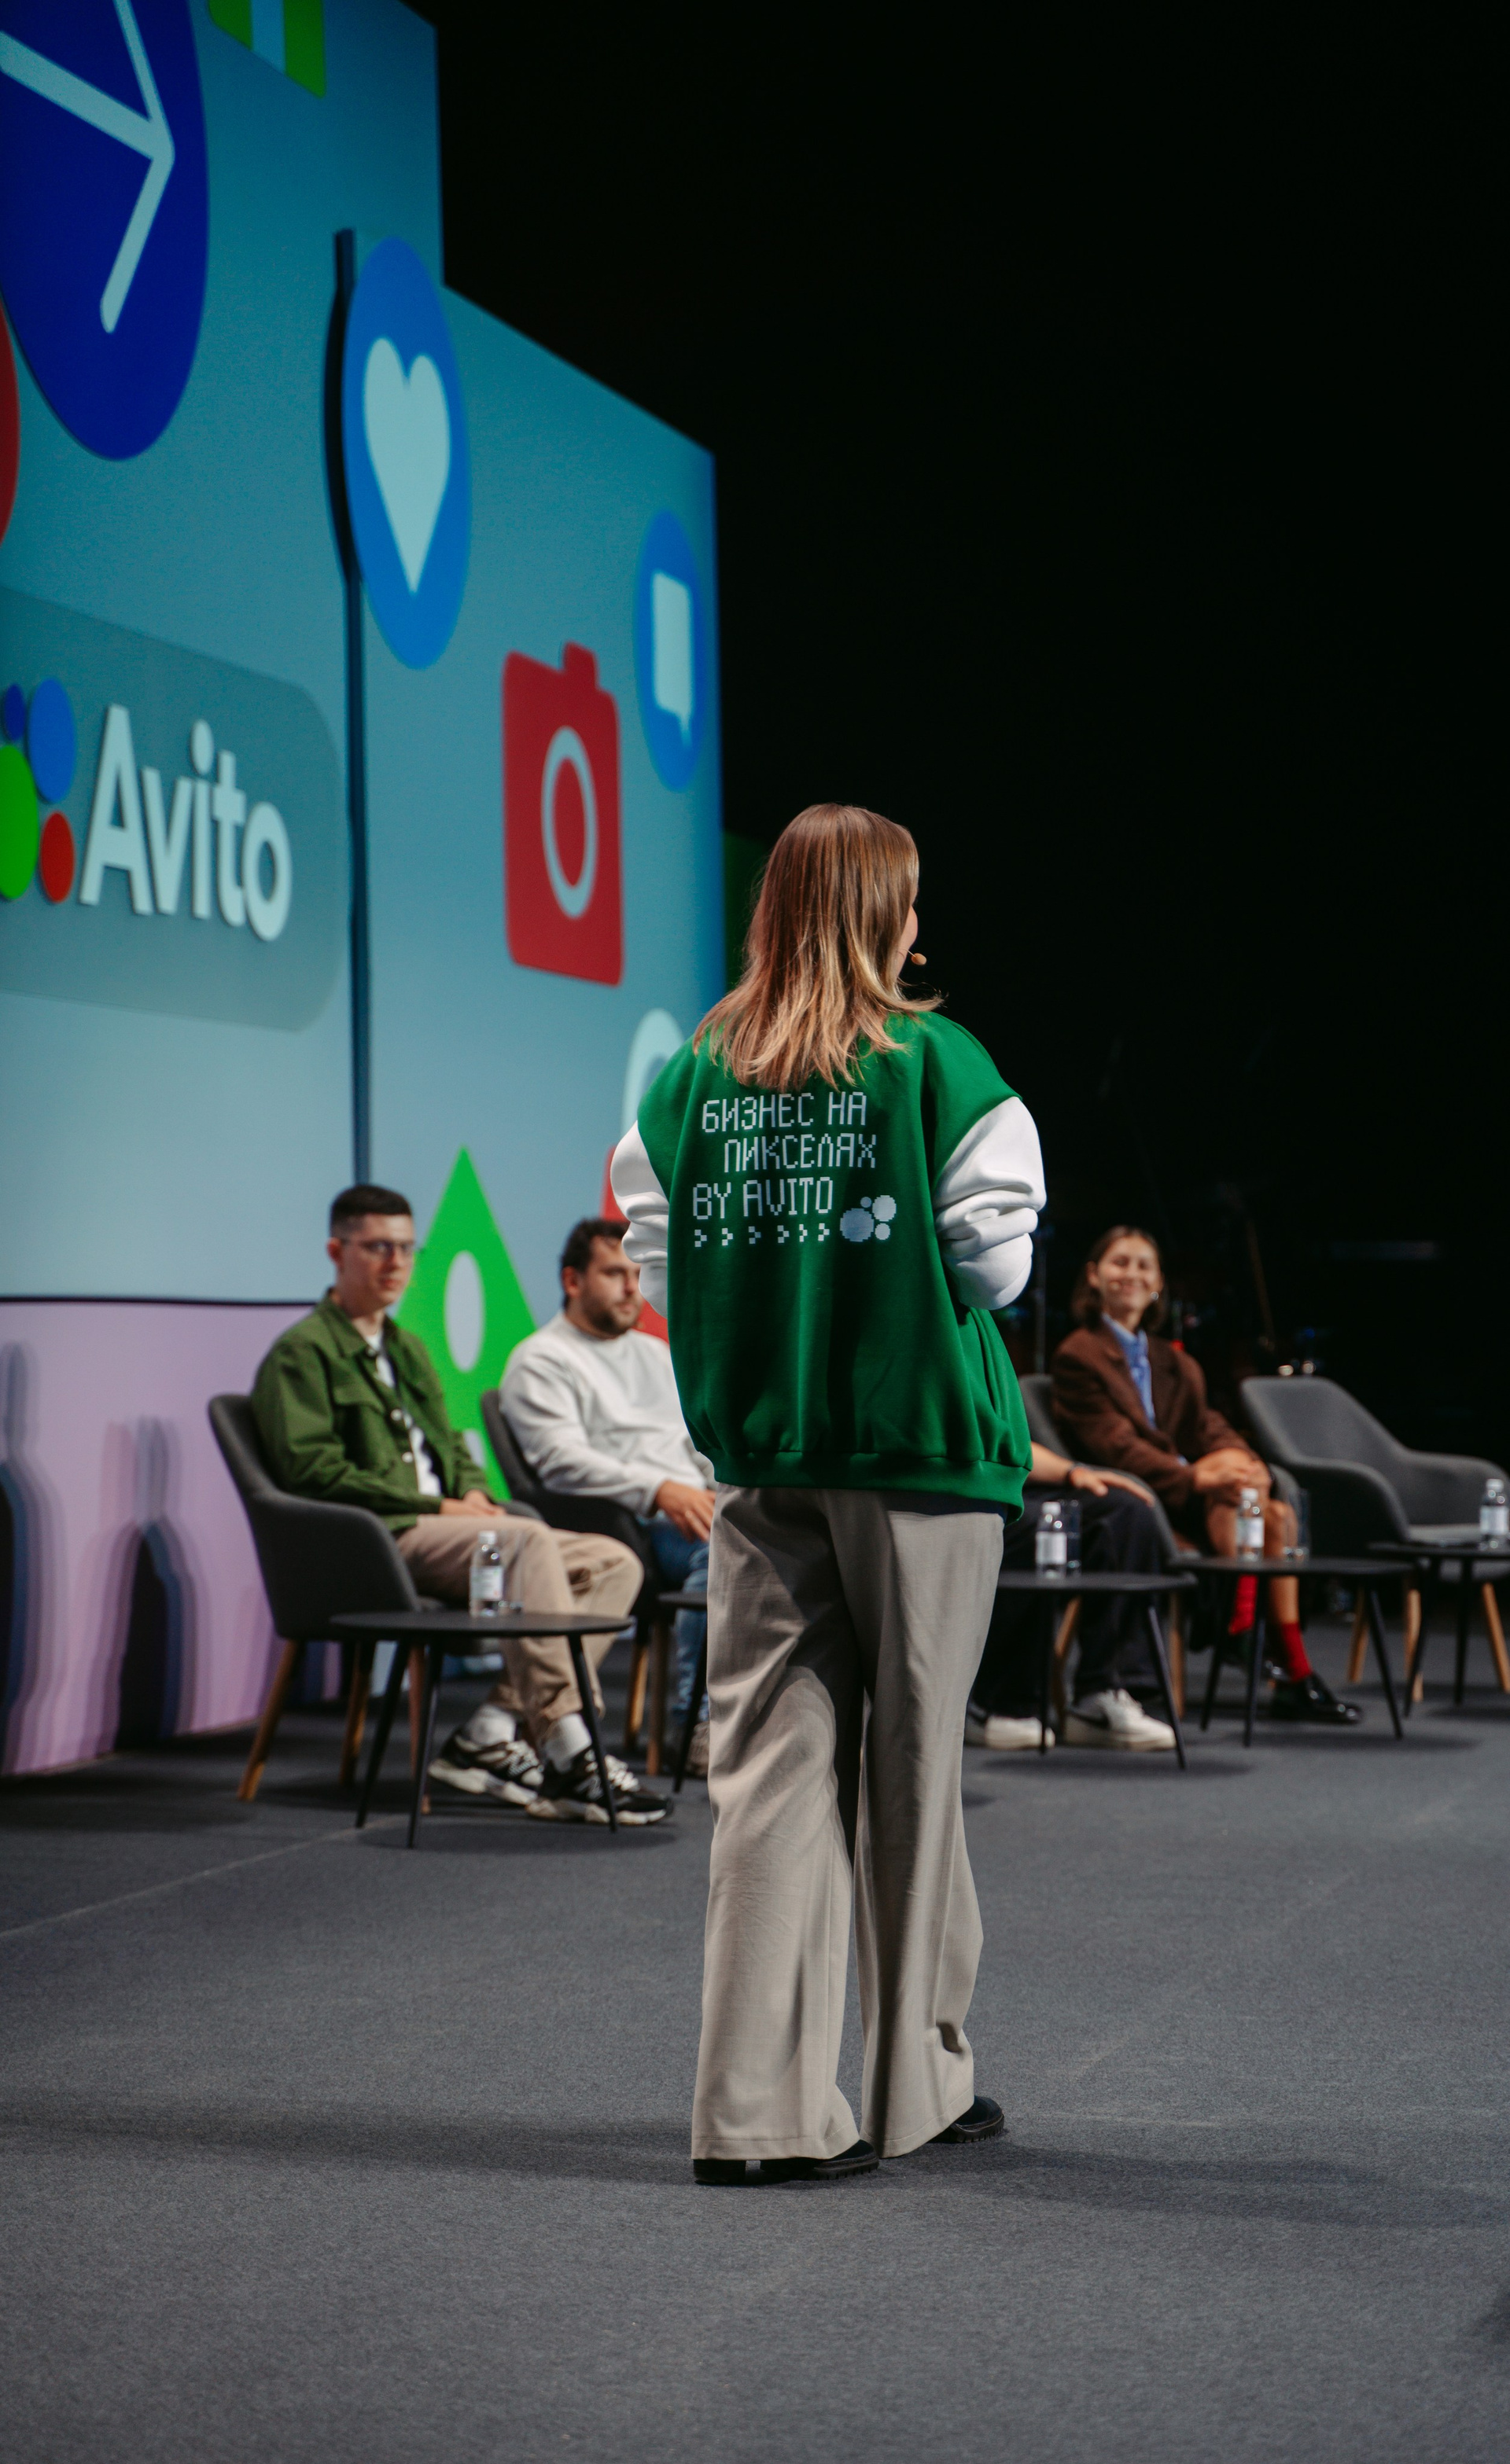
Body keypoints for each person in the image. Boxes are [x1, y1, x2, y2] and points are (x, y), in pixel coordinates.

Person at [613, 800, 1044, 2184]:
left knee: (769, 1775)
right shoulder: (941, 1060)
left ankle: (759, 2117)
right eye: (909, 899)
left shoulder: (688, 1080)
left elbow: (659, 1263)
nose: (921, 923)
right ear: (884, 913)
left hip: (762, 1460)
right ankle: (917, 2083)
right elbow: (994, 1266)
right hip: (920, 1460)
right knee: (914, 1768)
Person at [251, 1183, 671, 1822]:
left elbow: (449, 1444)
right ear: (337, 1252)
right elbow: (312, 1472)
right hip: (381, 1539)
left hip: (448, 1533)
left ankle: (492, 1732)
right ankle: (570, 1748)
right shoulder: (302, 1353)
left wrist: (472, 1489)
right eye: (377, 1247)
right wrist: (440, 1508)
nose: (395, 1262)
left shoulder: (406, 1347)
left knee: (614, 1563)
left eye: (406, 1248)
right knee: (524, 1539)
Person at [1051, 1224, 1359, 1725]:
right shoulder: (1077, 1356)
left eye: (1144, 1266)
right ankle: (1266, 1651)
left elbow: (1209, 1427)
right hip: (1135, 1500)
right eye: (1119, 1262)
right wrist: (1197, 1475)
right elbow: (1115, 1447)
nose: (1132, 1274)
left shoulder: (1174, 1362)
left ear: (1158, 1284)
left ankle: (1272, 1653)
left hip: (1193, 1497)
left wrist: (1245, 1464)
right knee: (1235, 1497)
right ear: (1093, 1275)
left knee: (1271, 1511)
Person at [501, 1216, 714, 1776]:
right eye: (615, 1274)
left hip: (691, 1509)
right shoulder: (541, 1359)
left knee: (780, 1533)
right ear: (572, 1280)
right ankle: (696, 1723)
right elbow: (561, 1463)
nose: (631, 1288)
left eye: (638, 1274)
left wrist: (732, 1490)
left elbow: (697, 1445)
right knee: (723, 1553)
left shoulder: (655, 1354)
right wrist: (658, 1490)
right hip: (622, 1525)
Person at [967, 1441, 1177, 1750]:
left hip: (1007, 1482)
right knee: (1034, 1524)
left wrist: (1073, 1472)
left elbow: (1010, 1441)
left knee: (1124, 1509)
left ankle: (1100, 1695)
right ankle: (1000, 1704)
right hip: (950, 1487)